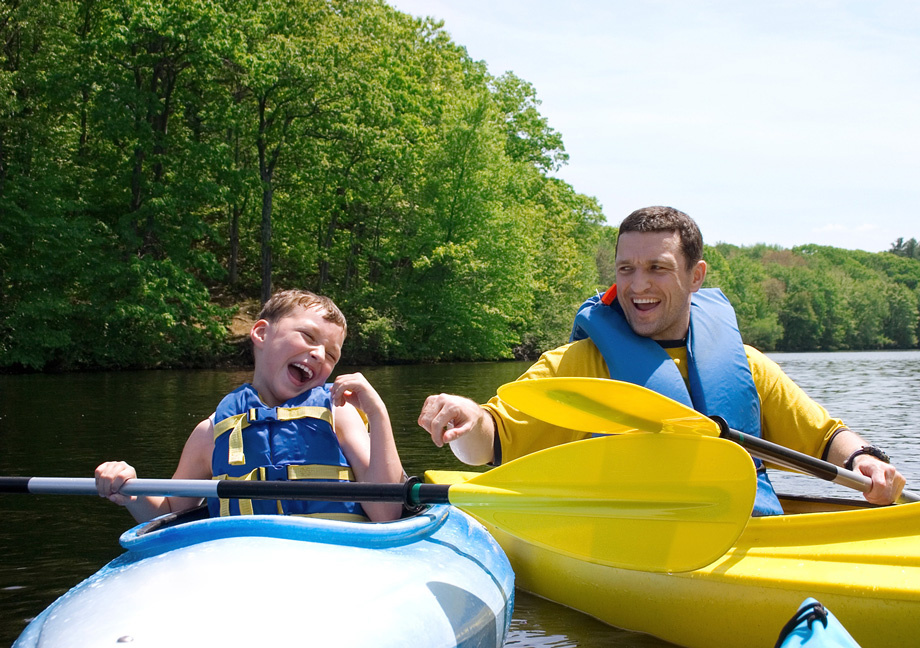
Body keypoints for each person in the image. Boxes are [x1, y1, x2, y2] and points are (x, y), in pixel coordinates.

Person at [418, 206, 906, 514]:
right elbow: (488, 447)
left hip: (748, 534)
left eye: (657, 268)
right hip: (635, 542)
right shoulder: (578, 362)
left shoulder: (749, 365)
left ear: (696, 276)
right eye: (626, 269)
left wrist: (866, 461)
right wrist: (470, 419)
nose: (637, 285)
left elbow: (826, 437)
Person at [96, 289, 404, 523]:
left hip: (331, 554)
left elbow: (386, 512)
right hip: (243, 561)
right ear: (261, 333)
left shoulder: (339, 415)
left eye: (332, 355)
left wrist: (377, 413)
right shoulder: (211, 432)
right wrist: (132, 492)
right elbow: (169, 514)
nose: (319, 355)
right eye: (308, 336)